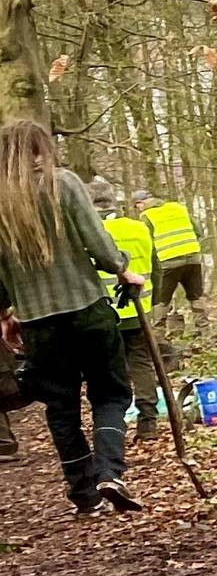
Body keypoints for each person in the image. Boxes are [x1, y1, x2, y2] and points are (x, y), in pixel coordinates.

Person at [0, 121, 142, 516]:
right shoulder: (62, 183)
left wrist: (5, 314)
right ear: (39, 148)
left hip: (38, 325)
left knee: (61, 407)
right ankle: (110, 472)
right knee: (110, 394)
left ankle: (83, 495)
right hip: (87, 311)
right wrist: (122, 269)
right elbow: (99, 242)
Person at [97, 187, 163, 441]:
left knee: (108, 369)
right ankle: (148, 423)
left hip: (102, 313)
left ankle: (113, 426)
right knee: (142, 365)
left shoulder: (89, 232)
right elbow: (156, 267)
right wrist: (154, 303)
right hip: (139, 309)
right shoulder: (139, 227)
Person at [134, 189, 207, 327]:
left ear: (140, 203)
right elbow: (198, 231)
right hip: (193, 258)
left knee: (162, 299)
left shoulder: (146, 215)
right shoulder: (178, 207)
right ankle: (204, 329)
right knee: (196, 295)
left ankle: (158, 333)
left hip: (169, 262)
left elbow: (147, 242)